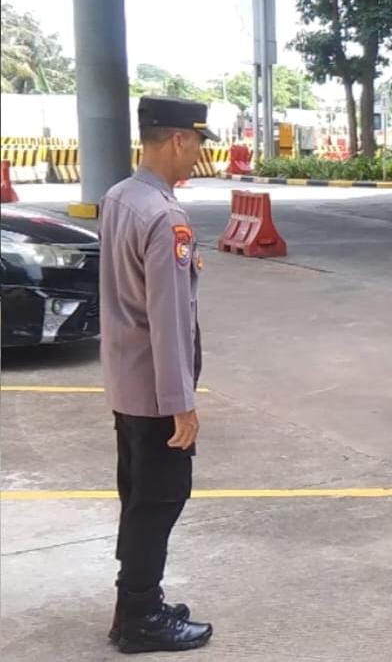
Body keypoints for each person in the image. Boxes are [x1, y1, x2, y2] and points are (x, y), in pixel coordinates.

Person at [99, 97, 216, 652]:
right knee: (160, 500)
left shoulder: (120, 197)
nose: (198, 155)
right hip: (154, 390)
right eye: (197, 144)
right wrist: (181, 403)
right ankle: (141, 618)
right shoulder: (166, 218)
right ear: (177, 140)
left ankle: (134, 607)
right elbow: (168, 320)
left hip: (126, 382)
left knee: (138, 494)